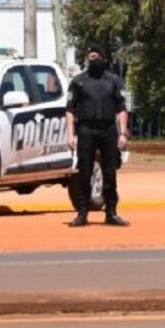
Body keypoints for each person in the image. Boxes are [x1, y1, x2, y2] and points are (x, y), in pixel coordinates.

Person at [65, 47, 130, 227]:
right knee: (84, 173)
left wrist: (122, 133)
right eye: (90, 56)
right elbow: (70, 109)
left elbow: (122, 108)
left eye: (96, 55)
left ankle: (111, 213)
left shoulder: (114, 81)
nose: (93, 59)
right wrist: (70, 135)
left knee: (110, 173)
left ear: (103, 57)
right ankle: (82, 214)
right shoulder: (78, 82)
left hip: (108, 130)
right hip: (86, 130)